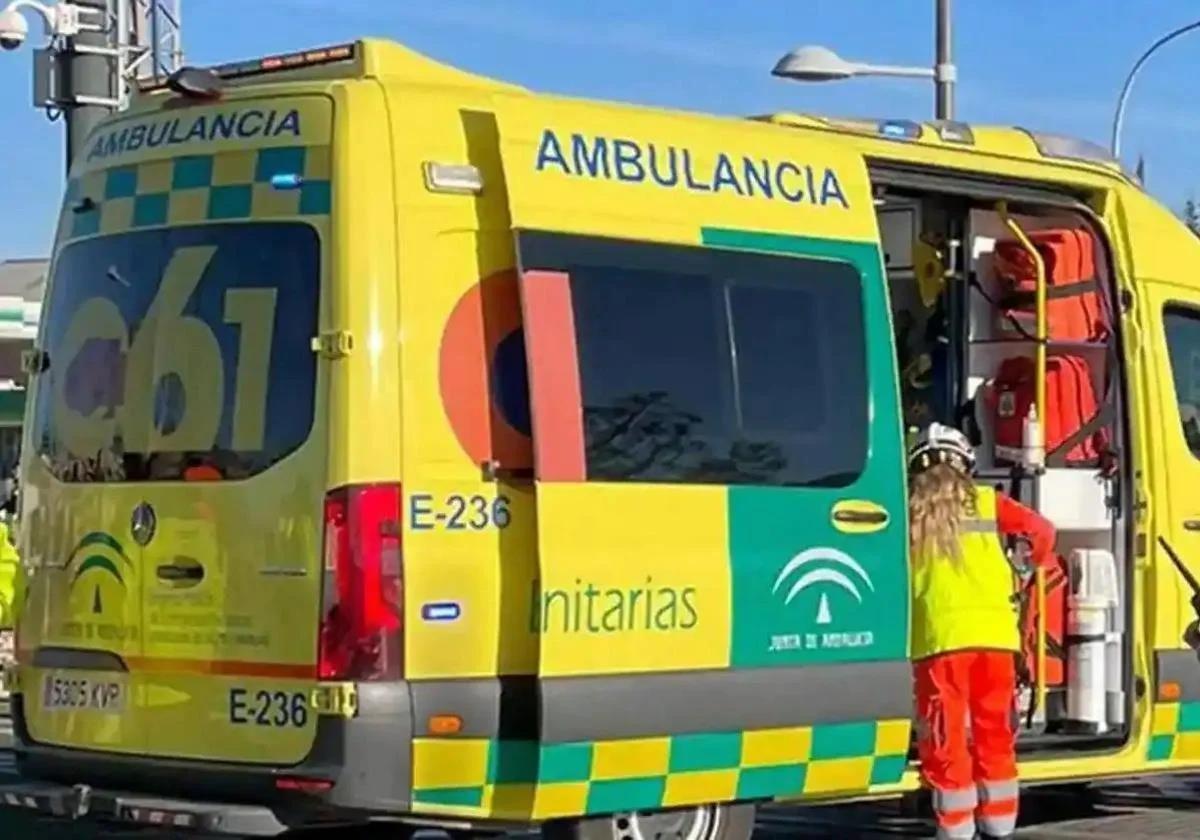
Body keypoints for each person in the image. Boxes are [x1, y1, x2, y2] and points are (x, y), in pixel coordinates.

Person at [907, 422, 1056, 840]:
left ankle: (955, 828)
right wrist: (1025, 569)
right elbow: (1043, 532)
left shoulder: (909, 511)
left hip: (940, 641)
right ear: (965, 465)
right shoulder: (990, 502)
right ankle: (1000, 823)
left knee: (946, 737)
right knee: (995, 732)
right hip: (995, 639)